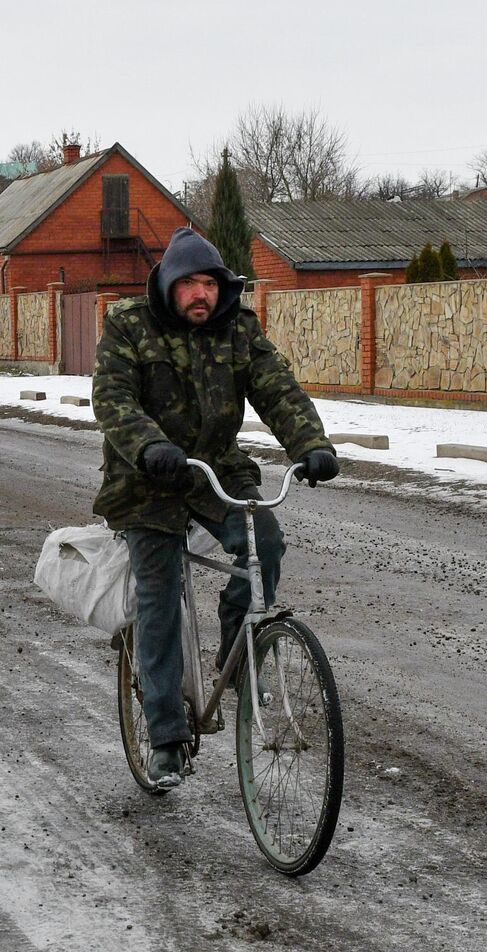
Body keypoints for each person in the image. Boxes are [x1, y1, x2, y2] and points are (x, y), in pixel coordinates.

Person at [92, 228, 338, 787]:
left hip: (215, 470)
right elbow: (113, 397)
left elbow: (277, 389)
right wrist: (148, 445)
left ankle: (238, 649)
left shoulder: (237, 328)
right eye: (189, 284)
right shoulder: (129, 325)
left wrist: (311, 445)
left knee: (264, 544)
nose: (200, 295)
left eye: (209, 284)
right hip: (146, 478)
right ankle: (167, 740)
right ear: (168, 285)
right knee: (159, 600)